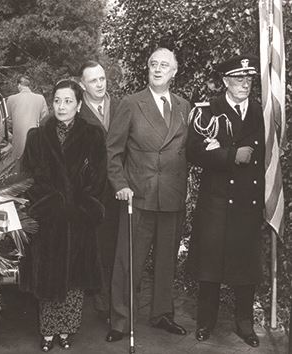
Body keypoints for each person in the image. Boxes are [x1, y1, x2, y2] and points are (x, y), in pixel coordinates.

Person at [106, 47, 191, 342]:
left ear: (174, 71)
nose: (157, 69)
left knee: (167, 259)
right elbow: (113, 151)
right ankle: (120, 321)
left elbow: (189, 151)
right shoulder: (131, 104)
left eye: (164, 65)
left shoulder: (184, 106)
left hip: (171, 196)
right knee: (129, 260)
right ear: (147, 68)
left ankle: (162, 314)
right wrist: (120, 185)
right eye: (153, 64)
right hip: (137, 196)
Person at [19, 79, 107, 352]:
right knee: (48, 275)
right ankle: (48, 332)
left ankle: (67, 330)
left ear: (79, 105)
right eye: (57, 100)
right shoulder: (37, 136)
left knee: (74, 279)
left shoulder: (93, 135)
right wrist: (48, 204)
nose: (62, 106)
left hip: (78, 219)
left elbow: (98, 178)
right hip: (48, 219)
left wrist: (83, 207)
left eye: (68, 101)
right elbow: (28, 177)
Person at [186, 54, 264, 348]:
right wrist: (231, 155)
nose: (245, 84)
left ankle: (245, 324)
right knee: (211, 266)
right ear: (224, 82)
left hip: (248, 200)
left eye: (248, 79)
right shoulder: (208, 110)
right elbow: (193, 152)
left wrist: (220, 148)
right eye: (238, 78)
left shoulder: (259, 111)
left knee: (245, 267)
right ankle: (206, 322)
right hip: (216, 200)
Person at [79, 60, 120, 320]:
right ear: (83, 85)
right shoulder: (76, 110)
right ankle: (100, 302)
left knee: (113, 247)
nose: (100, 84)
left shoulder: (119, 106)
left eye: (102, 78)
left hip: (117, 190)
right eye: (93, 80)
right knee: (93, 247)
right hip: (90, 193)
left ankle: (111, 300)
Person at [7, 75, 48, 165]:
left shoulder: (11, 99)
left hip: (18, 142)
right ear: (29, 85)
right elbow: (45, 120)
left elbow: (8, 120)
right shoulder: (40, 98)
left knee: (18, 167)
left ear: (19, 85)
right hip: (35, 140)